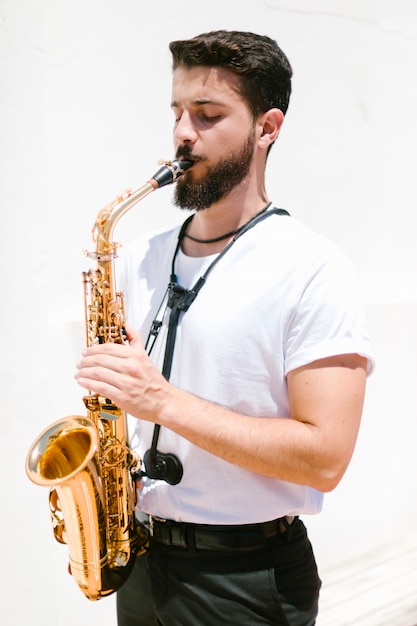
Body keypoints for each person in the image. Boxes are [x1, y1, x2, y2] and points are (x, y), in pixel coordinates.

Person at [75, 30, 374, 626]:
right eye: (178, 113)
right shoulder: (137, 256)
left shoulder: (313, 267)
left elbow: (325, 460)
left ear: (267, 128)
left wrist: (159, 400)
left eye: (208, 115)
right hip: (142, 559)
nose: (184, 133)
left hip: (247, 578)